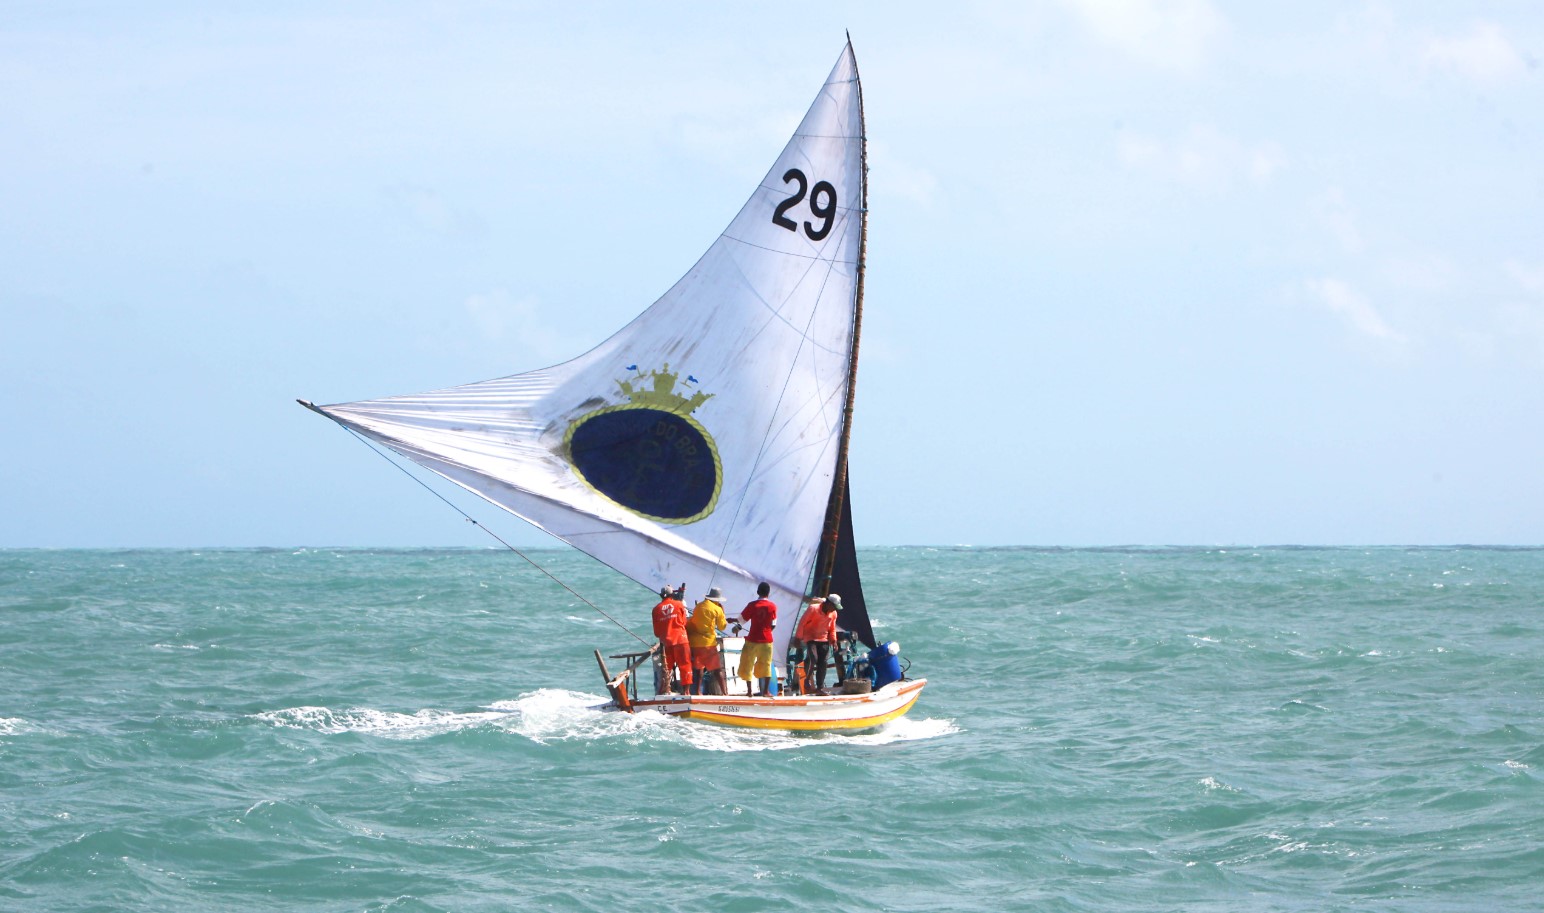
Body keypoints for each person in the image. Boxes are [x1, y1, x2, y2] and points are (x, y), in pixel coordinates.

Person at [737, 582, 777, 696]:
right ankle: (766, 691)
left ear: (758, 592)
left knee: (747, 663)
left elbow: (741, 620)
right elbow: (773, 624)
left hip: (752, 639)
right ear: (768, 593)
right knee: (766, 664)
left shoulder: (752, 605)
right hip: (767, 640)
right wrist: (767, 631)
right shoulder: (773, 606)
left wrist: (731, 620)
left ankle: (749, 691)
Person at [794, 594, 841, 693]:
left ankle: (820, 688)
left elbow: (832, 628)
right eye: (834, 606)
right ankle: (806, 680)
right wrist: (798, 638)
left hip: (823, 639)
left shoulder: (833, 614)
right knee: (813, 658)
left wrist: (834, 640)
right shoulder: (813, 609)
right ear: (828, 603)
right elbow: (802, 622)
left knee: (823, 662)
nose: (834, 609)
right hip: (811, 637)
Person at [685, 586, 727, 695]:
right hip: (708, 643)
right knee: (717, 670)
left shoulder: (699, 606)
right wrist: (723, 612)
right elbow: (722, 627)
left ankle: (698, 692)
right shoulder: (717, 609)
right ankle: (725, 693)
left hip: (695, 643)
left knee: (698, 670)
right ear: (717, 600)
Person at [651, 585, 692, 695]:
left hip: (666, 644)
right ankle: (686, 692)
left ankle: (666, 690)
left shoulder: (656, 609)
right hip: (681, 640)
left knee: (667, 668)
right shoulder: (679, 605)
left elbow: (656, 632)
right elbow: (684, 622)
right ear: (672, 594)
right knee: (685, 665)